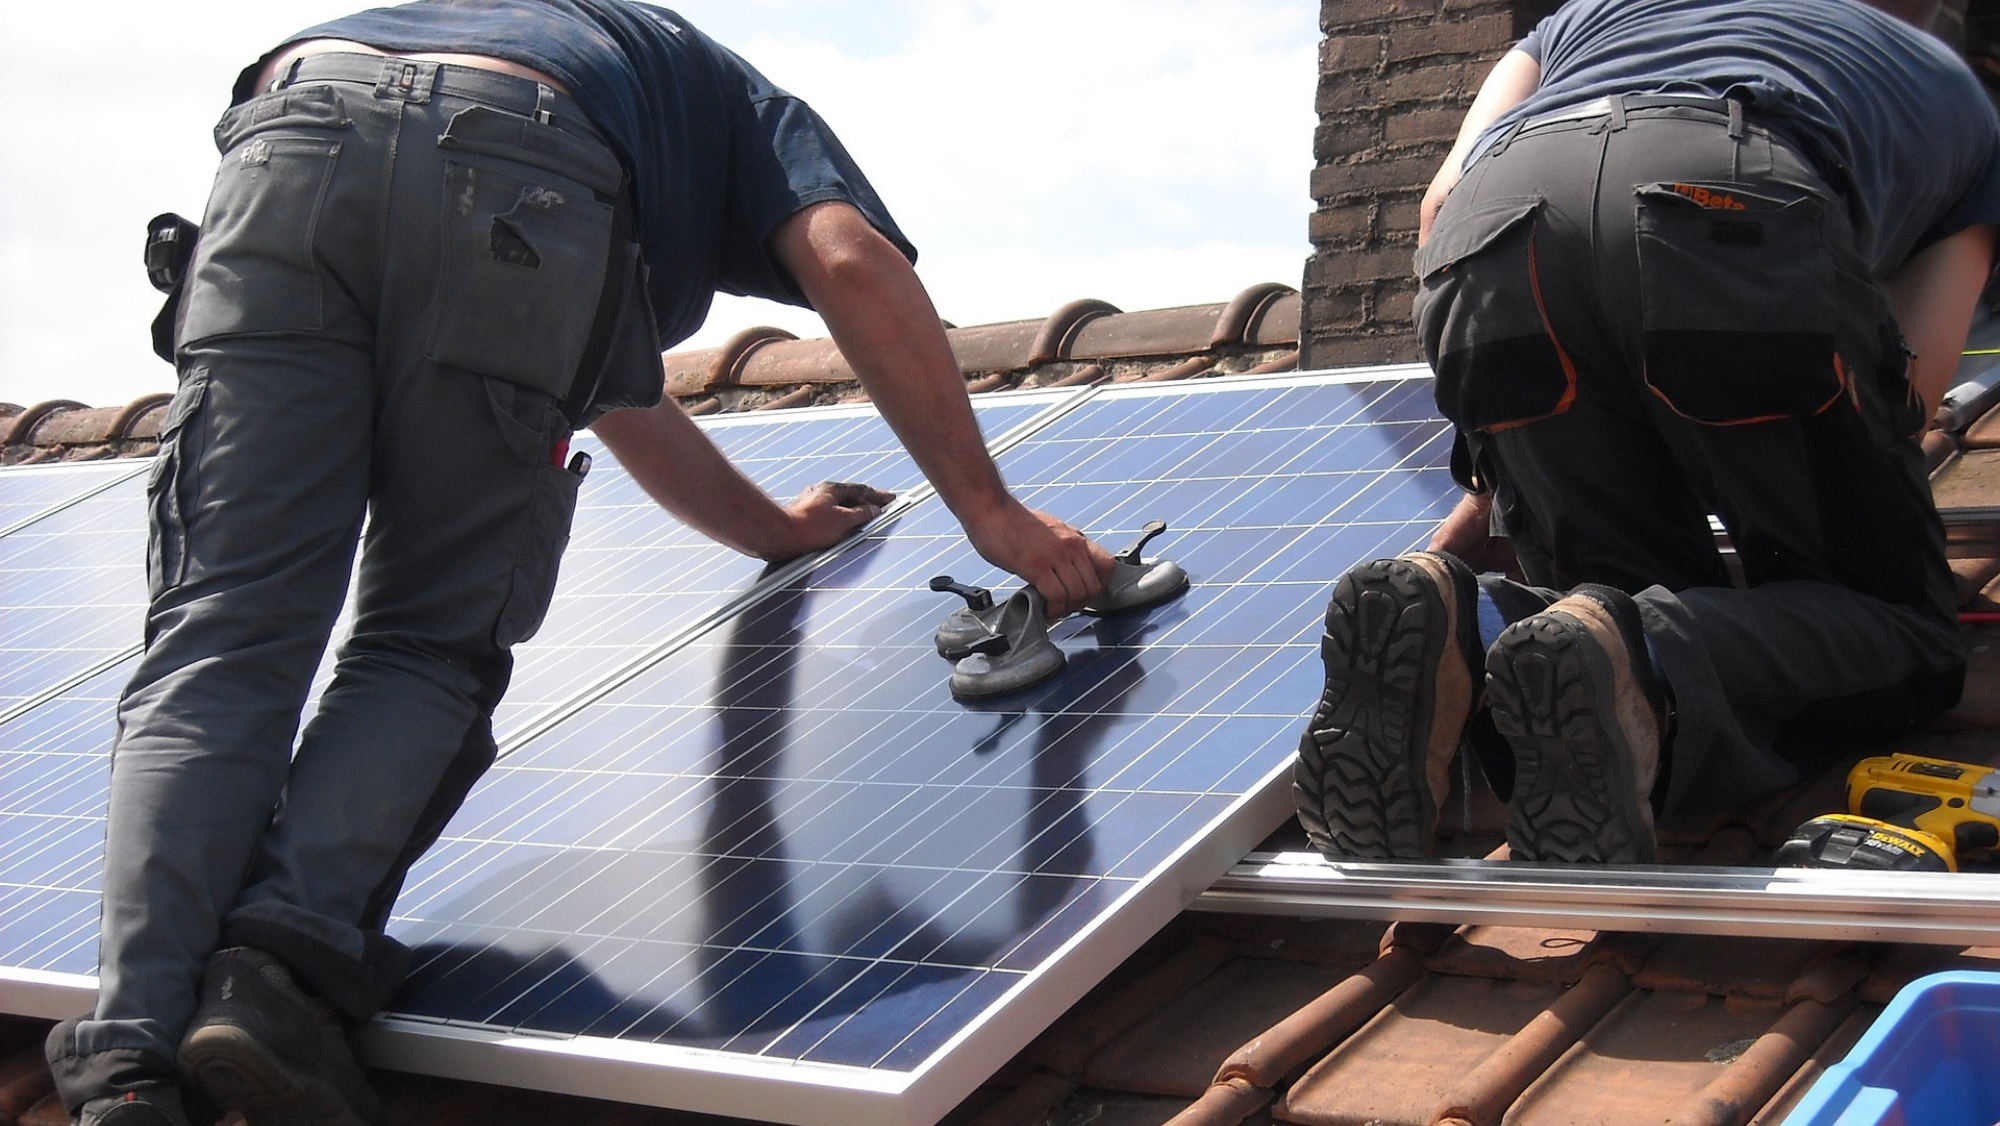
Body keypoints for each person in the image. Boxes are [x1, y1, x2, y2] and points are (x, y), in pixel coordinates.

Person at [46, 3, 1114, 1124]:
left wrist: (774, 535)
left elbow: (598, 383)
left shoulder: (570, 51)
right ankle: (273, 967)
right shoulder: (743, 107)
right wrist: (989, 510)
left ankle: (128, 1060)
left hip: (289, 134)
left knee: (223, 637)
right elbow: (850, 260)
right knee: (424, 639)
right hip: (528, 167)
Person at [1293, 0, 1999, 868]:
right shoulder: (1955, 99)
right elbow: (1907, 386)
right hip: (1726, 198)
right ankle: (1653, 653)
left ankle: (1467, 624)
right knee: (1899, 629)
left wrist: (1507, 459)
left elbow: (1443, 205)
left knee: (1601, 613)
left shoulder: (1588, 18)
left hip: (1488, 231)